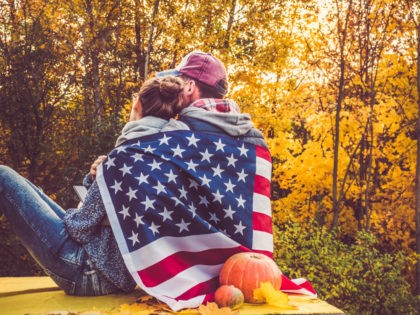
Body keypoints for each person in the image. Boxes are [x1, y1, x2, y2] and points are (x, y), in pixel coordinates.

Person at [92, 51, 274, 311]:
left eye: (179, 81)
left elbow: (136, 177)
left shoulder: (176, 134)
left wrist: (115, 157)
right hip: (239, 270)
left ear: (190, 86)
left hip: (191, 272)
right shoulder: (253, 137)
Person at [0, 75, 184, 296]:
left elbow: (79, 228)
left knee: (3, 177)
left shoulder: (124, 157)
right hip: (120, 276)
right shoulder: (165, 156)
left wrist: (76, 210)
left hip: (88, 271)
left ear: (137, 104)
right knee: (30, 192)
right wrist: (96, 181)